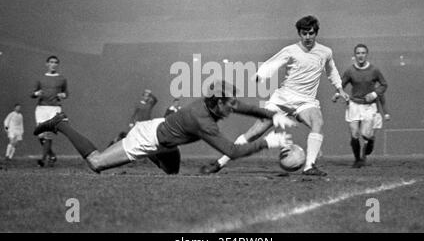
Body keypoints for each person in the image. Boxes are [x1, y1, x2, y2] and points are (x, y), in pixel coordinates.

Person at [33, 80, 296, 174]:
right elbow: (233, 151)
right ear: (218, 103)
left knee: (171, 177)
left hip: (166, 138)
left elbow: (247, 108)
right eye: (230, 105)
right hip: (147, 139)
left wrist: (273, 116)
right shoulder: (202, 121)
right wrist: (268, 143)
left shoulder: (216, 103)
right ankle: (61, 124)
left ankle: (153, 156)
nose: (233, 108)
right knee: (97, 163)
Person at [201, 16, 349, 176]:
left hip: (305, 102)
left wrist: (340, 88)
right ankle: (219, 163)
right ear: (299, 33)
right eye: (304, 33)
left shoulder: (325, 52)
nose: (307, 37)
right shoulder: (291, 50)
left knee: (317, 121)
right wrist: (260, 75)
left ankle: (309, 167)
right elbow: (273, 63)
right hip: (282, 100)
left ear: (316, 33)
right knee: (255, 132)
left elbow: (331, 70)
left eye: (311, 33)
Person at [332, 44, 388, 168]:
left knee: (365, 134)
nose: (360, 55)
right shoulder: (350, 71)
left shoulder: (374, 70)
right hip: (354, 104)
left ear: (366, 54)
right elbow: (341, 84)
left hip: (369, 106)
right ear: (355, 55)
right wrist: (337, 94)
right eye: (358, 53)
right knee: (354, 133)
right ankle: (357, 160)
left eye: (363, 53)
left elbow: (384, 85)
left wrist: (374, 94)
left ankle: (370, 141)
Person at [31, 55, 68, 167]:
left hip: (55, 108)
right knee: (41, 135)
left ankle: (42, 160)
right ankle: (51, 155)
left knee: (48, 134)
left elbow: (66, 93)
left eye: (55, 62)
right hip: (41, 108)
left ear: (57, 64)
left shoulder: (62, 79)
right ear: (47, 64)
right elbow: (32, 94)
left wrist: (63, 95)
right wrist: (36, 94)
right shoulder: (40, 78)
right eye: (51, 62)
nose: (53, 64)